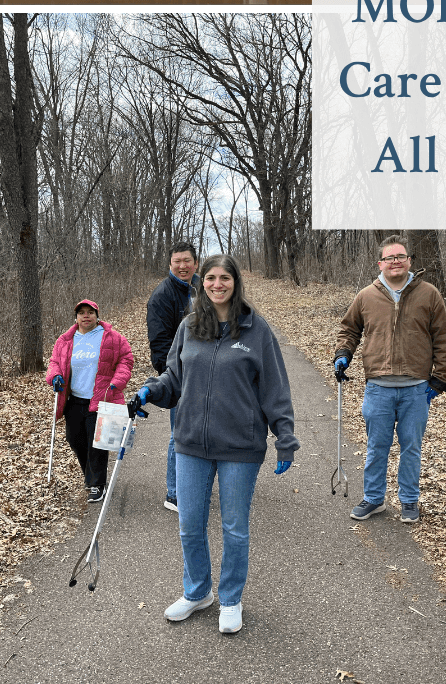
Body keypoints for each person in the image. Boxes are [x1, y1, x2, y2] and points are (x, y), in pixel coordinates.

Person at [130, 254, 297, 635]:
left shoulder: (256, 331)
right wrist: (149, 391)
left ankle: (231, 599)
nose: (217, 284)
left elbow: (275, 388)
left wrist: (284, 437)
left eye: (225, 278)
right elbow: (173, 378)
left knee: (234, 527)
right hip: (190, 442)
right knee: (190, 525)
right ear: (201, 282)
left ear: (236, 282)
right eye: (210, 278)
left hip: (240, 445)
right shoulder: (189, 327)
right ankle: (198, 592)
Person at [333, 239, 446, 524]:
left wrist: (440, 379)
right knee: (377, 447)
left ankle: (409, 501)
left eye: (400, 256)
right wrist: (343, 354)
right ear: (380, 264)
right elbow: (349, 329)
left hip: (416, 389)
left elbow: (444, 338)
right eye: (389, 258)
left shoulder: (429, 294)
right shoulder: (366, 296)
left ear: (409, 261)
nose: (395, 261)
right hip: (378, 388)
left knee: (411, 448)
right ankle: (374, 499)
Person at [47, 299, 134, 502]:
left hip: (101, 398)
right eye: (81, 313)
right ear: (76, 317)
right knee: (75, 439)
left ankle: (97, 484)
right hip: (74, 399)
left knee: (97, 444)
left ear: (97, 315)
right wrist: (54, 376)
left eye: (90, 312)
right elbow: (54, 362)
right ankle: (90, 475)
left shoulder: (111, 337)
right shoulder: (66, 340)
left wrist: (117, 381)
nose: (86, 316)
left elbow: (126, 358)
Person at [146, 241, 200, 514]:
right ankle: (175, 493)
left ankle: (197, 481)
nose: (182, 266)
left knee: (203, 427)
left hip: (207, 374)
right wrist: (172, 380)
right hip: (180, 377)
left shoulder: (204, 287)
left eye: (187, 261)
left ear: (195, 263)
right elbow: (159, 348)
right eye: (177, 261)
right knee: (179, 433)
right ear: (170, 264)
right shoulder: (162, 297)